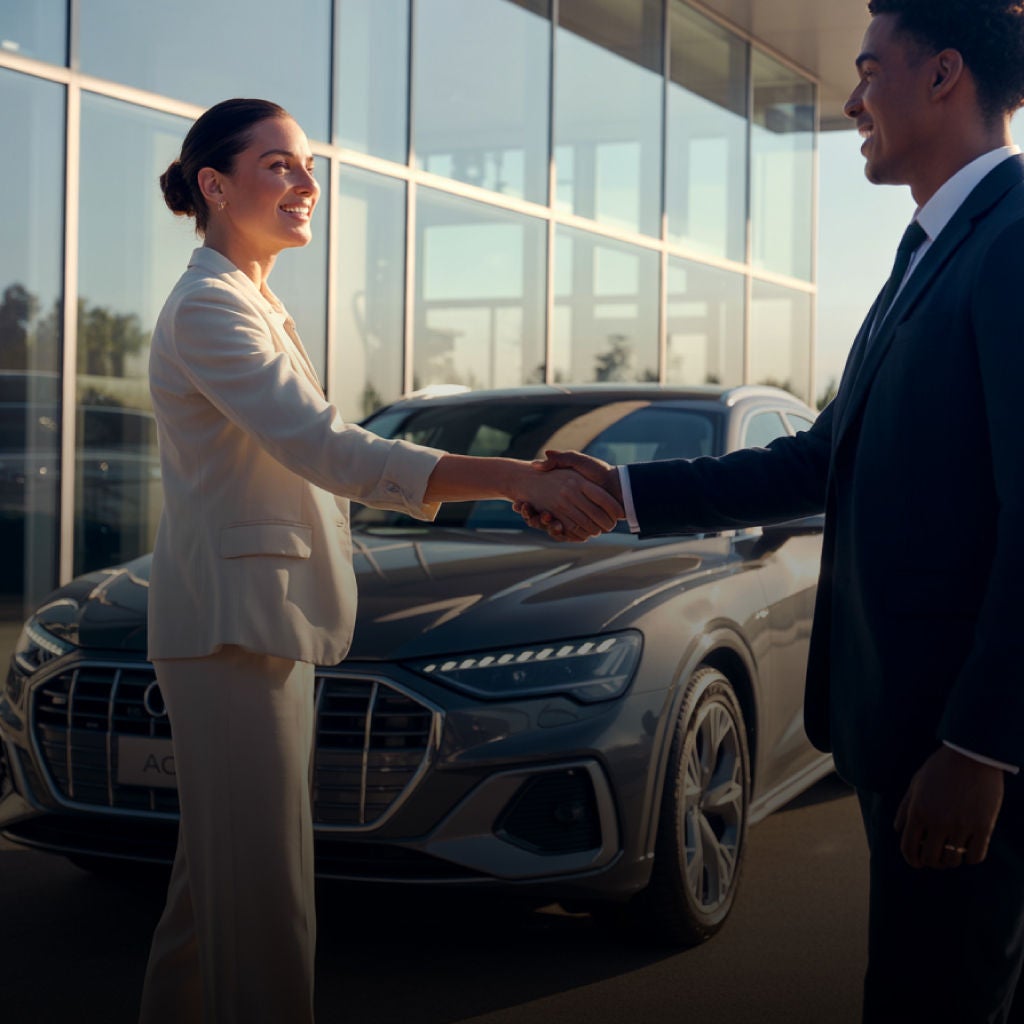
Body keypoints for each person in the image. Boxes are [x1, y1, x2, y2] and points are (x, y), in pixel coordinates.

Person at [521, 2, 1024, 1019]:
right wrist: (619, 492)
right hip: (905, 737)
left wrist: (981, 747)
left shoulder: (1012, 244)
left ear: (943, 77)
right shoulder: (927, 253)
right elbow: (817, 460)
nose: (852, 103)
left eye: (868, 71)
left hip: (957, 750)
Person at [139, 97, 621, 1024]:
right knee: (265, 911)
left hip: (253, 626)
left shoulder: (247, 301)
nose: (306, 183)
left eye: (309, 166)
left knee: (214, 903)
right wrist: (514, 478)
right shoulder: (208, 307)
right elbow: (332, 451)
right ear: (214, 185)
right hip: (234, 633)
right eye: (279, 165)